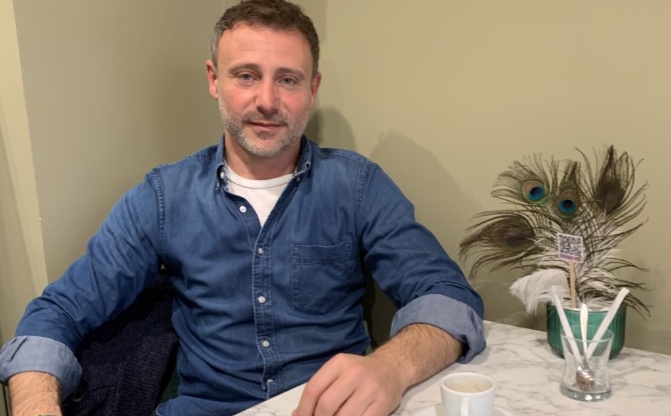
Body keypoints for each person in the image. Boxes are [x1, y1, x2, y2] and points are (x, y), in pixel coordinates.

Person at [0, 0, 486, 415]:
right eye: (246, 75)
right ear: (215, 79)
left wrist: (391, 367)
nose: (267, 100)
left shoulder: (358, 186)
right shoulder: (163, 197)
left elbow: (448, 295)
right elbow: (56, 313)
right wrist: (36, 406)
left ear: (312, 89)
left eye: (288, 79)